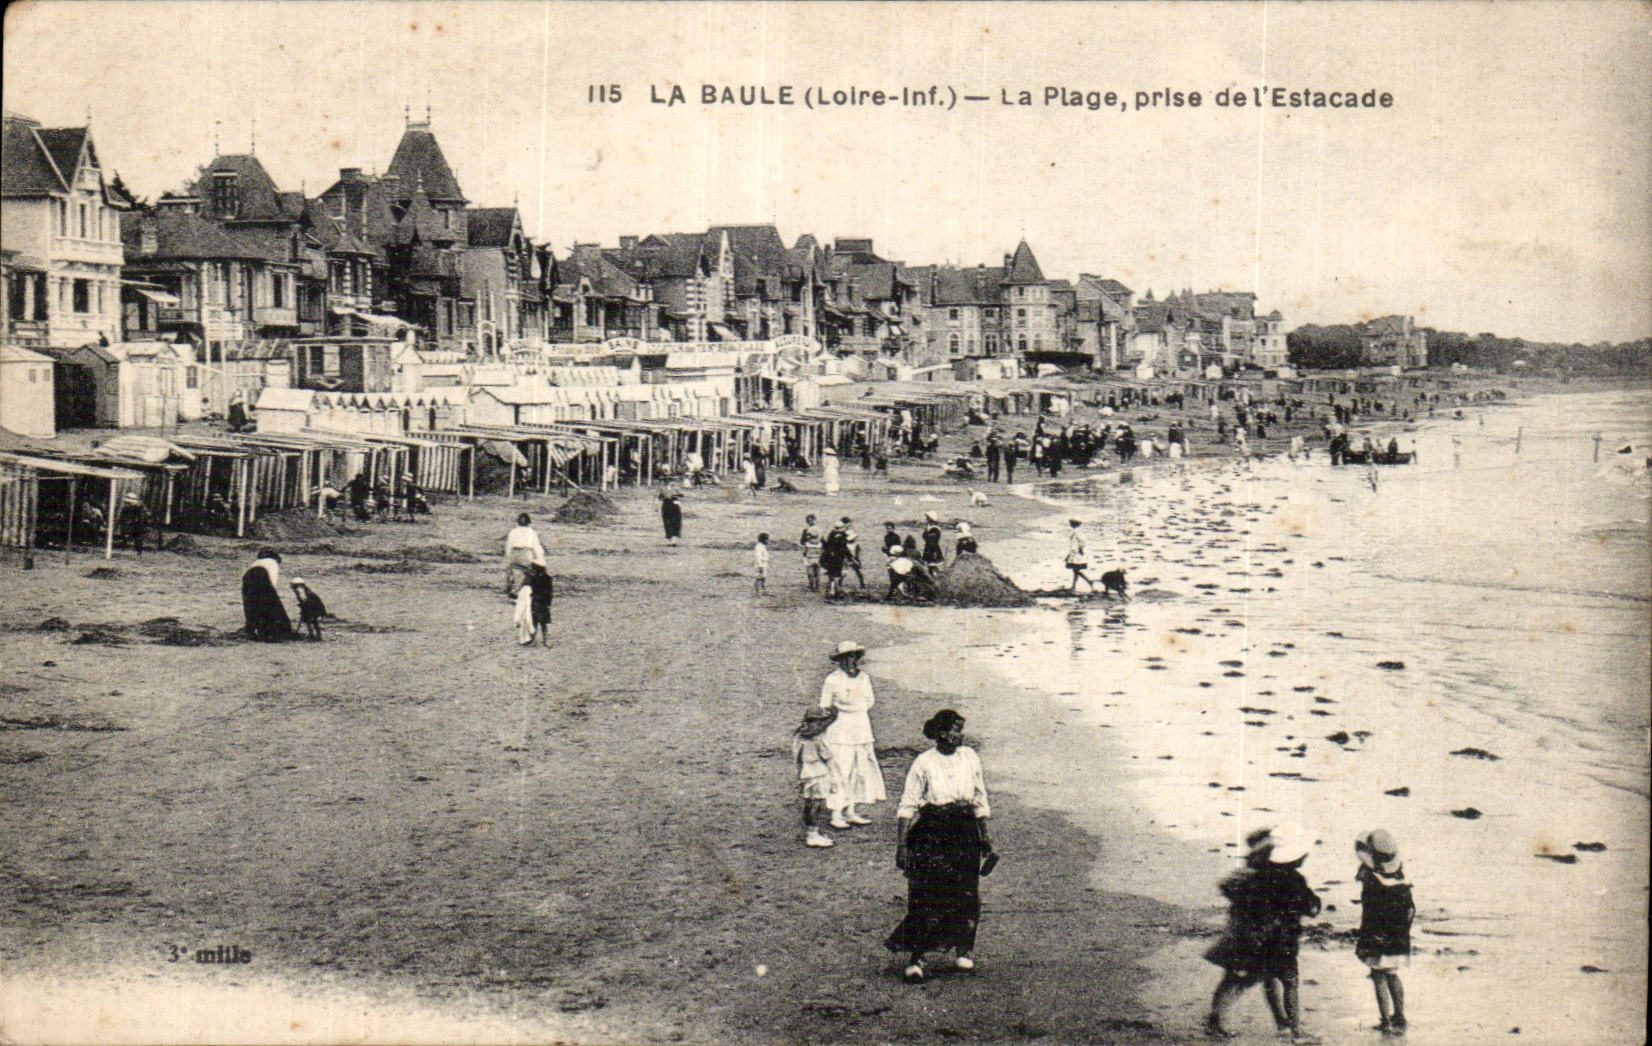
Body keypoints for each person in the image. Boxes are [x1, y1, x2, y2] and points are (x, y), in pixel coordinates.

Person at [885, 709, 994, 983]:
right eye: (955, 729)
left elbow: (979, 798)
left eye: (961, 729)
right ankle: (917, 957)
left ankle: (964, 950)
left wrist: (985, 837)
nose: (960, 735)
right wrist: (901, 845)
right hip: (932, 832)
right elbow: (907, 805)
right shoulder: (924, 763)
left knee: (967, 891)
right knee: (925, 893)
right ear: (942, 733)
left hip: (965, 831)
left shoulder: (969, 757)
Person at [1204, 827, 1323, 1042]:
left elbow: (1230, 889)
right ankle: (1294, 1031)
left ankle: (1274, 1021)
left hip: (1255, 938)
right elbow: (1311, 906)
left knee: (1249, 979)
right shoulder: (1295, 880)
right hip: (1283, 940)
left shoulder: (1257, 876)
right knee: (1288, 983)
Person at [817, 642, 886, 828]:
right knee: (841, 770)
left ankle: (851, 811)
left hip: (861, 728)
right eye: (845, 657)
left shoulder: (863, 678)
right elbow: (825, 705)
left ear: (857, 658)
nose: (849, 661)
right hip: (840, 731)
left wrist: (856, 708)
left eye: (852, 656)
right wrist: (844, 708)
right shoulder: (832, 680)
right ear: (839, 660)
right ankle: (836, 814)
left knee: (859, 769)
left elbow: (870, 701)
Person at [1355, 830, 1415, 1035]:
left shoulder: (1372, 880)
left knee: (1378, 976)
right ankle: (1399, 1015)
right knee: (1392, 974)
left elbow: (1371, 910)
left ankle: (1386, 1020)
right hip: (1398, 936)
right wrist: (1404, 931)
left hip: (1377, 934)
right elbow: (1410, 910)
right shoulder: (1402, 881)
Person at [793, 707, 840, 848]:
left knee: (809, 803)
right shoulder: (818, 738)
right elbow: (828, 758)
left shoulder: (799, 736)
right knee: (817, 804)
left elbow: (797, 759)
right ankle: (813, 835)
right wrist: (835, 778)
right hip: (819, 773)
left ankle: (811, 832)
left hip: (805, 774)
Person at [241, 549, 293, 641]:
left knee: (252, 605)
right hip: (261, 576)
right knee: (270, 605)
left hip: (248, 579)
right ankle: (273, 631)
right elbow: (272, 580)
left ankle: (251, 629)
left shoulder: (257, 562)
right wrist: (273, 594)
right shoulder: (273, 563)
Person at [504, 513, 546, 596]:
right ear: (529, 523)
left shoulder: (513, 531)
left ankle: (512, 587)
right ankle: (517, 591)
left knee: (516, 571)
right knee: (526, 572)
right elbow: (536, 545)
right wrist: (540, 556)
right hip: (525, 553)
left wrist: (509, 555)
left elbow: (508, 545)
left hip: (514, 552)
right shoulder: (531, 532)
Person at [515, 562, 553, 647]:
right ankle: (541, 641)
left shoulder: (539, 578)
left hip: (540, 602)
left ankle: (538, 640)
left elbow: (549, 592)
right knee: (537, 622)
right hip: (539, 602)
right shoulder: (545, 578)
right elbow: (550, 593)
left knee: (538, 623)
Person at [289, 577, 329, 641]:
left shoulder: (300, 590)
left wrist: (305, 609)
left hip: (313, 607)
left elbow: (306, 601)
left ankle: (313, 636)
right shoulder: (305, 590)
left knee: (309, 621)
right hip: (313, 607)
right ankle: (317, 636)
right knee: (313, 621)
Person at [820, 520, 851, 597]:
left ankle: (832, 590)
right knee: (836, 575)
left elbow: (827, 546)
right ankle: (834, 591)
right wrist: (850, 556)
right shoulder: (842, 535)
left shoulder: (832, 534)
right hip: (837, 558)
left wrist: (823, 541)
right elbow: (844, 547)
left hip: (831, 557)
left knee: (832, 575)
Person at [1065, 519, 1096, 592]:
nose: (1070, 524)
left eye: (1071, 523)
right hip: (1075, 553)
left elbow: (1082, 541)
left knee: (1076, 570)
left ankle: (1088, 582)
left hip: (1077, 554)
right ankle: (1074, 586)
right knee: (1076, 570)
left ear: (1073, 524)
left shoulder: (1077, 532)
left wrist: (1081, 549)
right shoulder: (1076, 531)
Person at [800, 514, 824, 592]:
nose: (811, 522)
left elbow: (822, 541)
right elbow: (802, 541)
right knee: (812, 571)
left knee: (815, 571)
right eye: (809, 520)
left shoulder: (818, 530)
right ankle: (813, 585)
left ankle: (815, 586)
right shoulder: (807, 530)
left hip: (815, 551)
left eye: (812, 520)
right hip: (811, 551)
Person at [841, 516, 866, 590]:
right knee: (845, 570)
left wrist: (857, 554)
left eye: (848, 524)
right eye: (846, 524)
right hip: (847, 552)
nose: (848, 525)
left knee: (857, 569)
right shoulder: (843, 532)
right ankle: (839, 583)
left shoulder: (851, 532)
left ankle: (862, 583)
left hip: (853, 551)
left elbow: (855, 541)